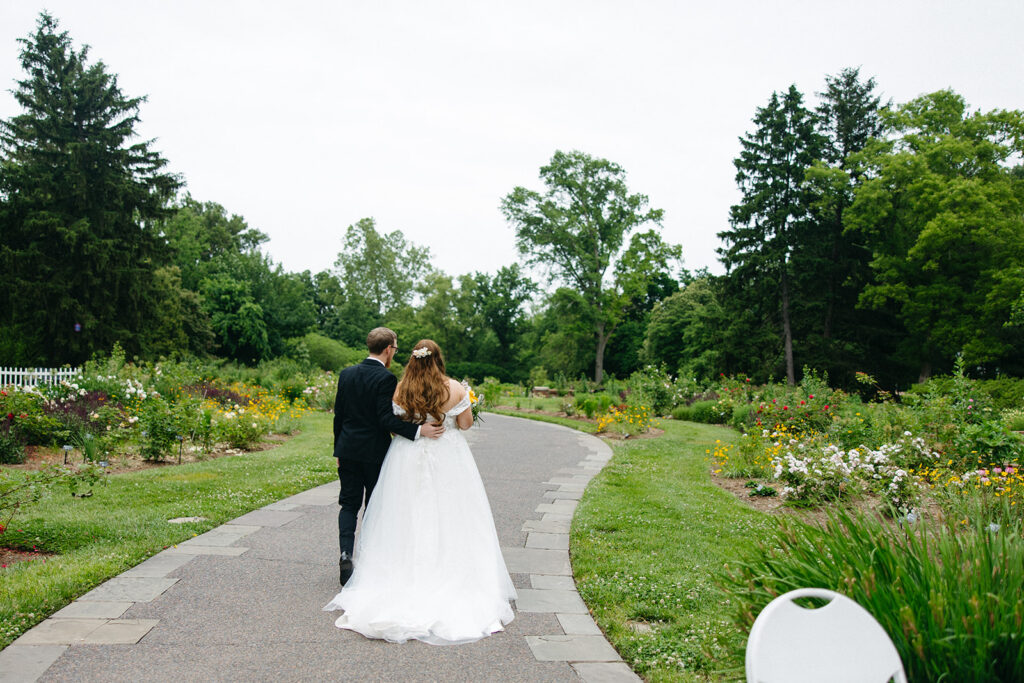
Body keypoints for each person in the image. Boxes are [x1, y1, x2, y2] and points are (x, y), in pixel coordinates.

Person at [323, 339, 516, 645]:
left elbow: (392, 423)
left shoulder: (401, 388)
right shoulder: (455, 388)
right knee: (452, 514)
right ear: (438, 359)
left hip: (407, 456)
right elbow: (465, 424)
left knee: (406, 514)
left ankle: (401, 572)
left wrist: (417, 425)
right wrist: (463, 409)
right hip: (448, 456)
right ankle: (451, 573)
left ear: (413, 359)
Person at [332, 327, 445, 586]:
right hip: (374, 452)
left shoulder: (347, 374)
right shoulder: (385, 378)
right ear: (387, 349)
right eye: (395, 348)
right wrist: (419, 430)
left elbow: (339, 415)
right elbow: (385, 420)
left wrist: (338, 448)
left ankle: (345, 554)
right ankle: (368, 559)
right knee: (374, 505)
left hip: (347, 450)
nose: (394, 352)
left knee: (348, 504)